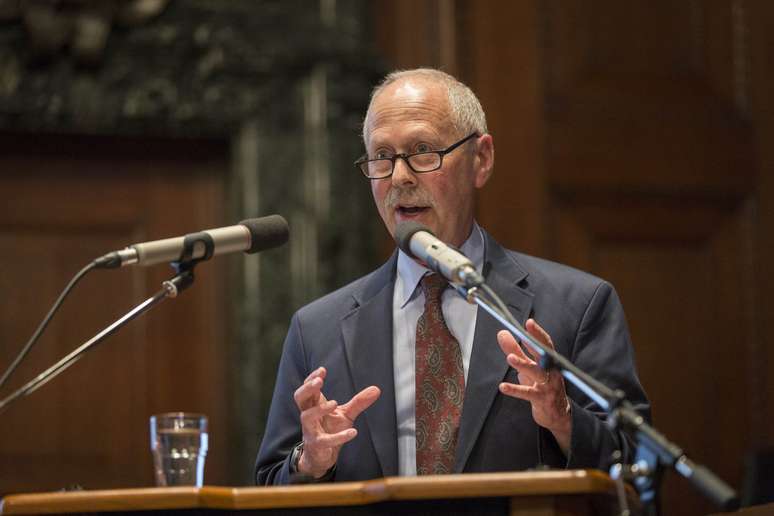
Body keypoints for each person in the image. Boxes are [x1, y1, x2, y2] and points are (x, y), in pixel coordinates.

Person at [255, 68, 650, 484]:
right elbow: (270, 484)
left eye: (423, 150)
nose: (399, 177)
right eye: (382, 156)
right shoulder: (316, 329)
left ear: (481, 159)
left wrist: (564, 418)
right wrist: (311, 461)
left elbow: (637, 469)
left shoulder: (578, 305)